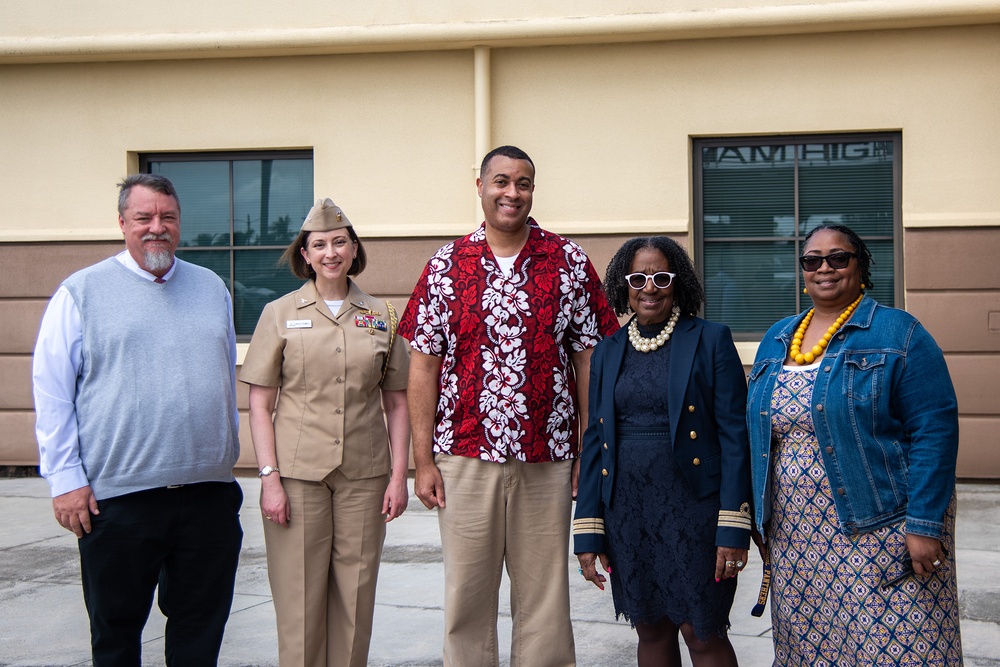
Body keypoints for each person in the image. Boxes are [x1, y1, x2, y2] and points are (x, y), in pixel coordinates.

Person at [398, 145, 619, 666]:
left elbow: (590, 362)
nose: (511, 193)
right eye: (500, 181)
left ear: (533, 191)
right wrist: (422, 460)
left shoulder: (567, 262)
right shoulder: (446, 266)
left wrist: (588, 453)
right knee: (467, 597)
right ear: (479, 186)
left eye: (522, 183)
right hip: (464, 459)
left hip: (547, 458)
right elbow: (423, 367)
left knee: (544, 597)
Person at [32, 173, 244, 666]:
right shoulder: (80, 293)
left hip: (208, 496)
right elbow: (52, 392)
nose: (157, 228)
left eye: (167, 217)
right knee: (116, 634)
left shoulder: (211, 287)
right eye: (144, 217)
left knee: (200, 629)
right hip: (118, 502)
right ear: (122, 222)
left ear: (179, 224)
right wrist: (65, 480)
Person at [746, 224, 963, 665]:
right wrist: (757, 513)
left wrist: (924, 524)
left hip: (881, 527)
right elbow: (756, 431)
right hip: (796, 536)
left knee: (899, 646)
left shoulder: (899, 332)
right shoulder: (778, 337)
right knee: (815, 649)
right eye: (812, 260)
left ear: (860, 266)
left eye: (838, 258)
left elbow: (934, 430)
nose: (824, 268)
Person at [239, 198, 410, 667]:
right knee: (299, 599)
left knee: (355, 597)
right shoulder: (278, 313)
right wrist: (268, 477)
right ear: (306, 254)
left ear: (354, 250)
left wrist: (399, 477)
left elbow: (396, 401)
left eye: (340, 242)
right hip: (298, 476)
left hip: (364, 475)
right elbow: (260, 401)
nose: (330, 252)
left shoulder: (383, 315)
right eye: (319, 244)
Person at [574, 237, 752, 667]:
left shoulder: (711, 339)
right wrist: (588, 530)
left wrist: (733, 527)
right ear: (623, 284)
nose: (649, 288)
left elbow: (735, 435)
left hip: (696, 510)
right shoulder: (609, 350)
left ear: (678, 283)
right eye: (638, 278)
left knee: (701, 629)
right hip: (629, 511)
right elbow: (595, 440)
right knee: (650, 626)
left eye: (661, 277)